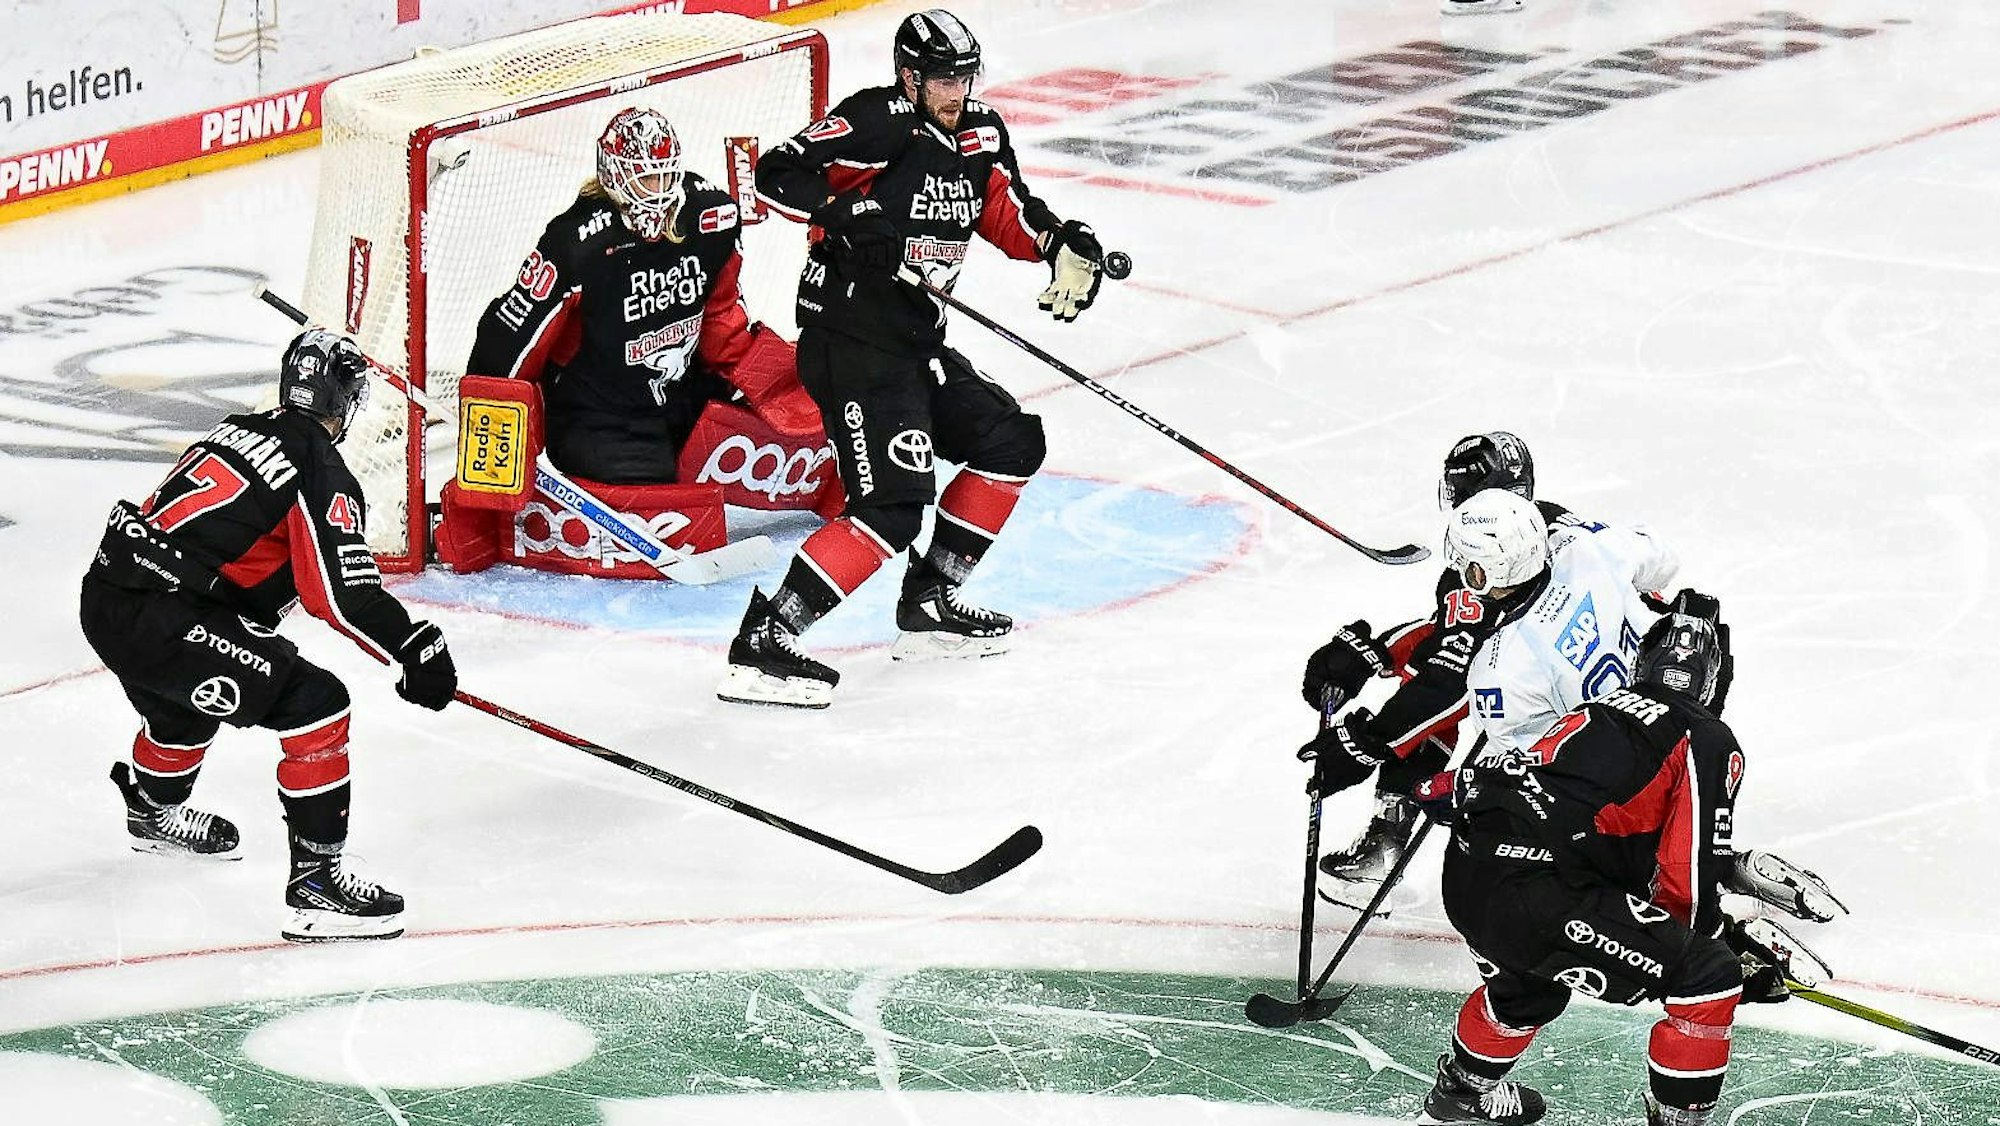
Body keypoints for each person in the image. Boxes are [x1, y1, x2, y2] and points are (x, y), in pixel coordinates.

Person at [715, 8, 1108, 709]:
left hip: (914, 343)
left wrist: (1059, 243)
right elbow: (776, 173)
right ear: (909, 76)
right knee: (893, 507)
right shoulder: (878, 121)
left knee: (1010, 441)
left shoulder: (981, 132)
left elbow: (1006, 210)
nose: (955, 91)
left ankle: (929, 602)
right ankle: (766, 638)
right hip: (851, 342)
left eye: (963, 77)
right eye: (942, 79)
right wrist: (846, 214)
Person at [1403, 593, 1846, 1124]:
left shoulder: (1597, 708)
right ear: (1713, 680)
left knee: (1529, 983)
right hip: (1538, 892)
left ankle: (1462, 1093)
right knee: (1708, 977)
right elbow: (1687, 869)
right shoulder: (1705, 736)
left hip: (1473, 877)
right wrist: (1710, 944)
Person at [78, 329, 457, 943]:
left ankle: (151, 808)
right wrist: (415, 648)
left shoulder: (237, 429)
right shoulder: (318, 467)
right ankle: (318, 886)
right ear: (347, 400)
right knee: (317, 705)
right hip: (165, 615)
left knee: (185, 707)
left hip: (107, 599)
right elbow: (339, 595)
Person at [1298, 433, 1611, 909]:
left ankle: (1391, 836)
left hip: (1562, 739)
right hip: (1623, 697)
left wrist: (1366, 743)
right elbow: (1456, 632)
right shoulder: (1551, 527)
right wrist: (1378, 652)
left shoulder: (1489, 553)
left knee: (1491, 859)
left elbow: (1453, 681)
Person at [464, 105, 825, 487]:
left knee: (805, 430)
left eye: (667, 176)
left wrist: (761, 380)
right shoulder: (578, 243)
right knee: (661, 493)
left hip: (677, 396)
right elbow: (511, 337)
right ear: (614, 178)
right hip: (599, 416)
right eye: (646, 181)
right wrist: (489, 438)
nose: (661, 192)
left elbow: (720, 313)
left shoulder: (708, 217)